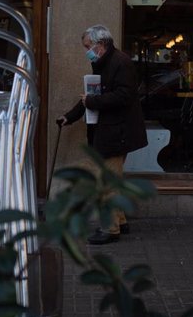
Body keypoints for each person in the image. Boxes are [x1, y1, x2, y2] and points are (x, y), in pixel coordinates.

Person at [57, 24, 148, 245]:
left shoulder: (120, 63)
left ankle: (110, 229)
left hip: (117, 132)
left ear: (101, 44)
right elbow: (91, 95)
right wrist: (70, 116)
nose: (86, 50)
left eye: (88, 46)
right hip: (112, 131)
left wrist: (92, 102)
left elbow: (123, 96)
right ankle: (120, 221)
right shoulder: (103, 62)